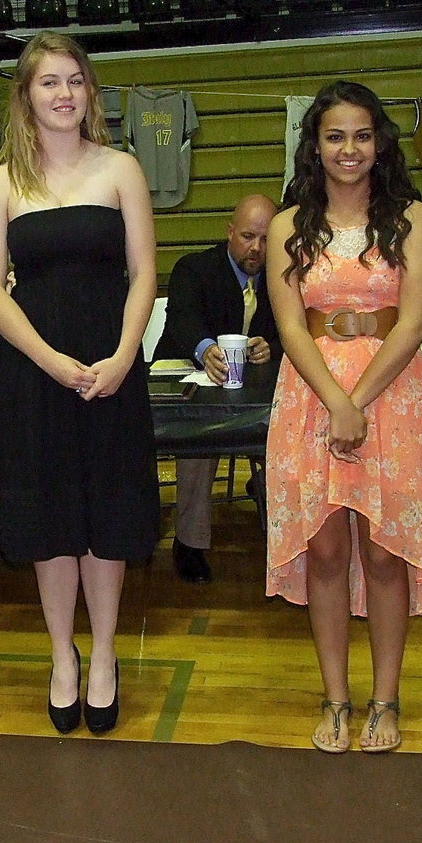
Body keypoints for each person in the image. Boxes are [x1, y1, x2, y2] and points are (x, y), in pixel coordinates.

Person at [0, 31, 160, 735]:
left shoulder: (121, 169)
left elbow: (144, 274)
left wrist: (123, 355)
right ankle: (62, 655)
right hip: (34, 373)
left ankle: (104, 653)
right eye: (49, 82)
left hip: (112, 367)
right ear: (26, 96)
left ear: (91, 92)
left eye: (75, 80)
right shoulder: (1, 182)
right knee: (51, 521)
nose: (64, 94)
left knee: (107, 516)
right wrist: (49, 360)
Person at [265, 81, 422, 753]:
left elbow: (413, 323)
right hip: (310, 394)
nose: (349, 149)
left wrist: (359, 399)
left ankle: (385, 700)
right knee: (325, 548)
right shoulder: (287, 226)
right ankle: (335, 698)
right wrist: (336, 402)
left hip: (392, 396)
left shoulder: (413, 219)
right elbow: (291, 326)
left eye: (362, 136)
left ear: (380, 143)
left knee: (384, 549)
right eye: (335, 136)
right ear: (314, 145)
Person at [155, 193, 282, 583]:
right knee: (199, 438)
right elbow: (181, 318)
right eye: (247, 237)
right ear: (229, 232)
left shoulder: (283, 275)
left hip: (255, 390)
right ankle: (189, 543)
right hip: (189, 381)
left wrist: (272, 347)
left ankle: (285, 533)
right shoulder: (194, 268)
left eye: (266, 239)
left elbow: (295, 328)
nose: (256, 248)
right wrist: (205, 348)